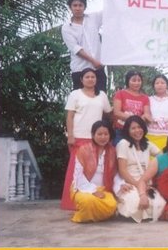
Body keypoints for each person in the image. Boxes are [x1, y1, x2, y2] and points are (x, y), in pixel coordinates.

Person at [61, 67, 112, 210]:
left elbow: (109, 113)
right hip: (79, 137)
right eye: (87, 77)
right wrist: (70, 135)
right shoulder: (75, 94)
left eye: (93, 77)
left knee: (94, 170)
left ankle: (92, 200)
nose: (90, 79)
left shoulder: (101, 95)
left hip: (96, 138)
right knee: (76, 171)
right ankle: (73, 201)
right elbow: (70, 116)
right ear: (82, 79)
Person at [115, 115, 163, 223]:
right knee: (136, 203)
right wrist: (139, 186)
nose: (137, 130)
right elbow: (122, 171)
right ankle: (120, 207)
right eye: (133, 128)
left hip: (146, 182)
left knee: (158, 204)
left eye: (139, 127)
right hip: (130, 182)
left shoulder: (147, 144)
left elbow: (162, 156)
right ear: (127, 130)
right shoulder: (123, 144)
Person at [70, 120, 117, 223]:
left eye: (106, 134)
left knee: (112, 204)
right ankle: (84, 215)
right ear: (93, 134)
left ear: (110, 135)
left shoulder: (112, 151)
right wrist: (92, 191)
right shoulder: (83, 150)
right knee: (88, 201)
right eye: (99, 134)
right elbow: (78, 176)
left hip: (103, 189)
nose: (103, 137)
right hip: (83, 188)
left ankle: (93, 214)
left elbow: (115, 174)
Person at [61, 0, 107, 91]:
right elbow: (76, 49)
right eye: (75, 5)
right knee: (81, 103)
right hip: (80, 70)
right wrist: (93, 61)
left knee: (100, 100)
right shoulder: (66, 27)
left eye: (80, 5)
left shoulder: (94, 18)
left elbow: (109, 10)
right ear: (70, 7)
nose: (78, 8)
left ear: (84, 7)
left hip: (98, 69)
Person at [112, 70, 152, 146]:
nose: (137, 83)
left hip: (136, 133)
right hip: (121, 131)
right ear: (128, 81)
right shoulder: (120, 93)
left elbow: (146, 115)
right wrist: (135, 118)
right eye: (133, 80)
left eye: (139, 80)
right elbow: (116, 112)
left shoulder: (145, 98)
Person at [147, 74, 168, 150]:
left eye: (162, 83)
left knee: (166, 158)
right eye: (157, 83)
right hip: (151, 134)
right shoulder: (149, 99)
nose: (159, 85)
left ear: (167, 85)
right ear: (153, 86)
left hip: (167, 135)